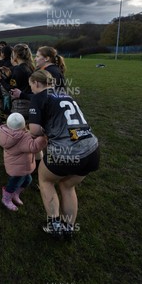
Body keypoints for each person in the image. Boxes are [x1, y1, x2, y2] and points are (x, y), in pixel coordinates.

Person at [27, 70, 100, 240]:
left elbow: (35, 131)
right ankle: (68, 227)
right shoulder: (64, 94)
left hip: (67, 151)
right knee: (67, 186)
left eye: (31, 86)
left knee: (46, 180)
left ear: (36, 83)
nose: (31, 90)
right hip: (91, 148)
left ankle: (54, 225)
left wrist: (45, 131)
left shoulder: (38, 97)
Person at [0, 112, 48, 211]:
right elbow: (34, 146)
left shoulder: (7, 133)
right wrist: (43, 137)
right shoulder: (21, 138)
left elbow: (27, 138)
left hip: (17, 165)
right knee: (14, 183)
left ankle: (15, 194)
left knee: (27, 180)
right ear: (23, 125)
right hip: (19, 168)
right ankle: (6, 198)